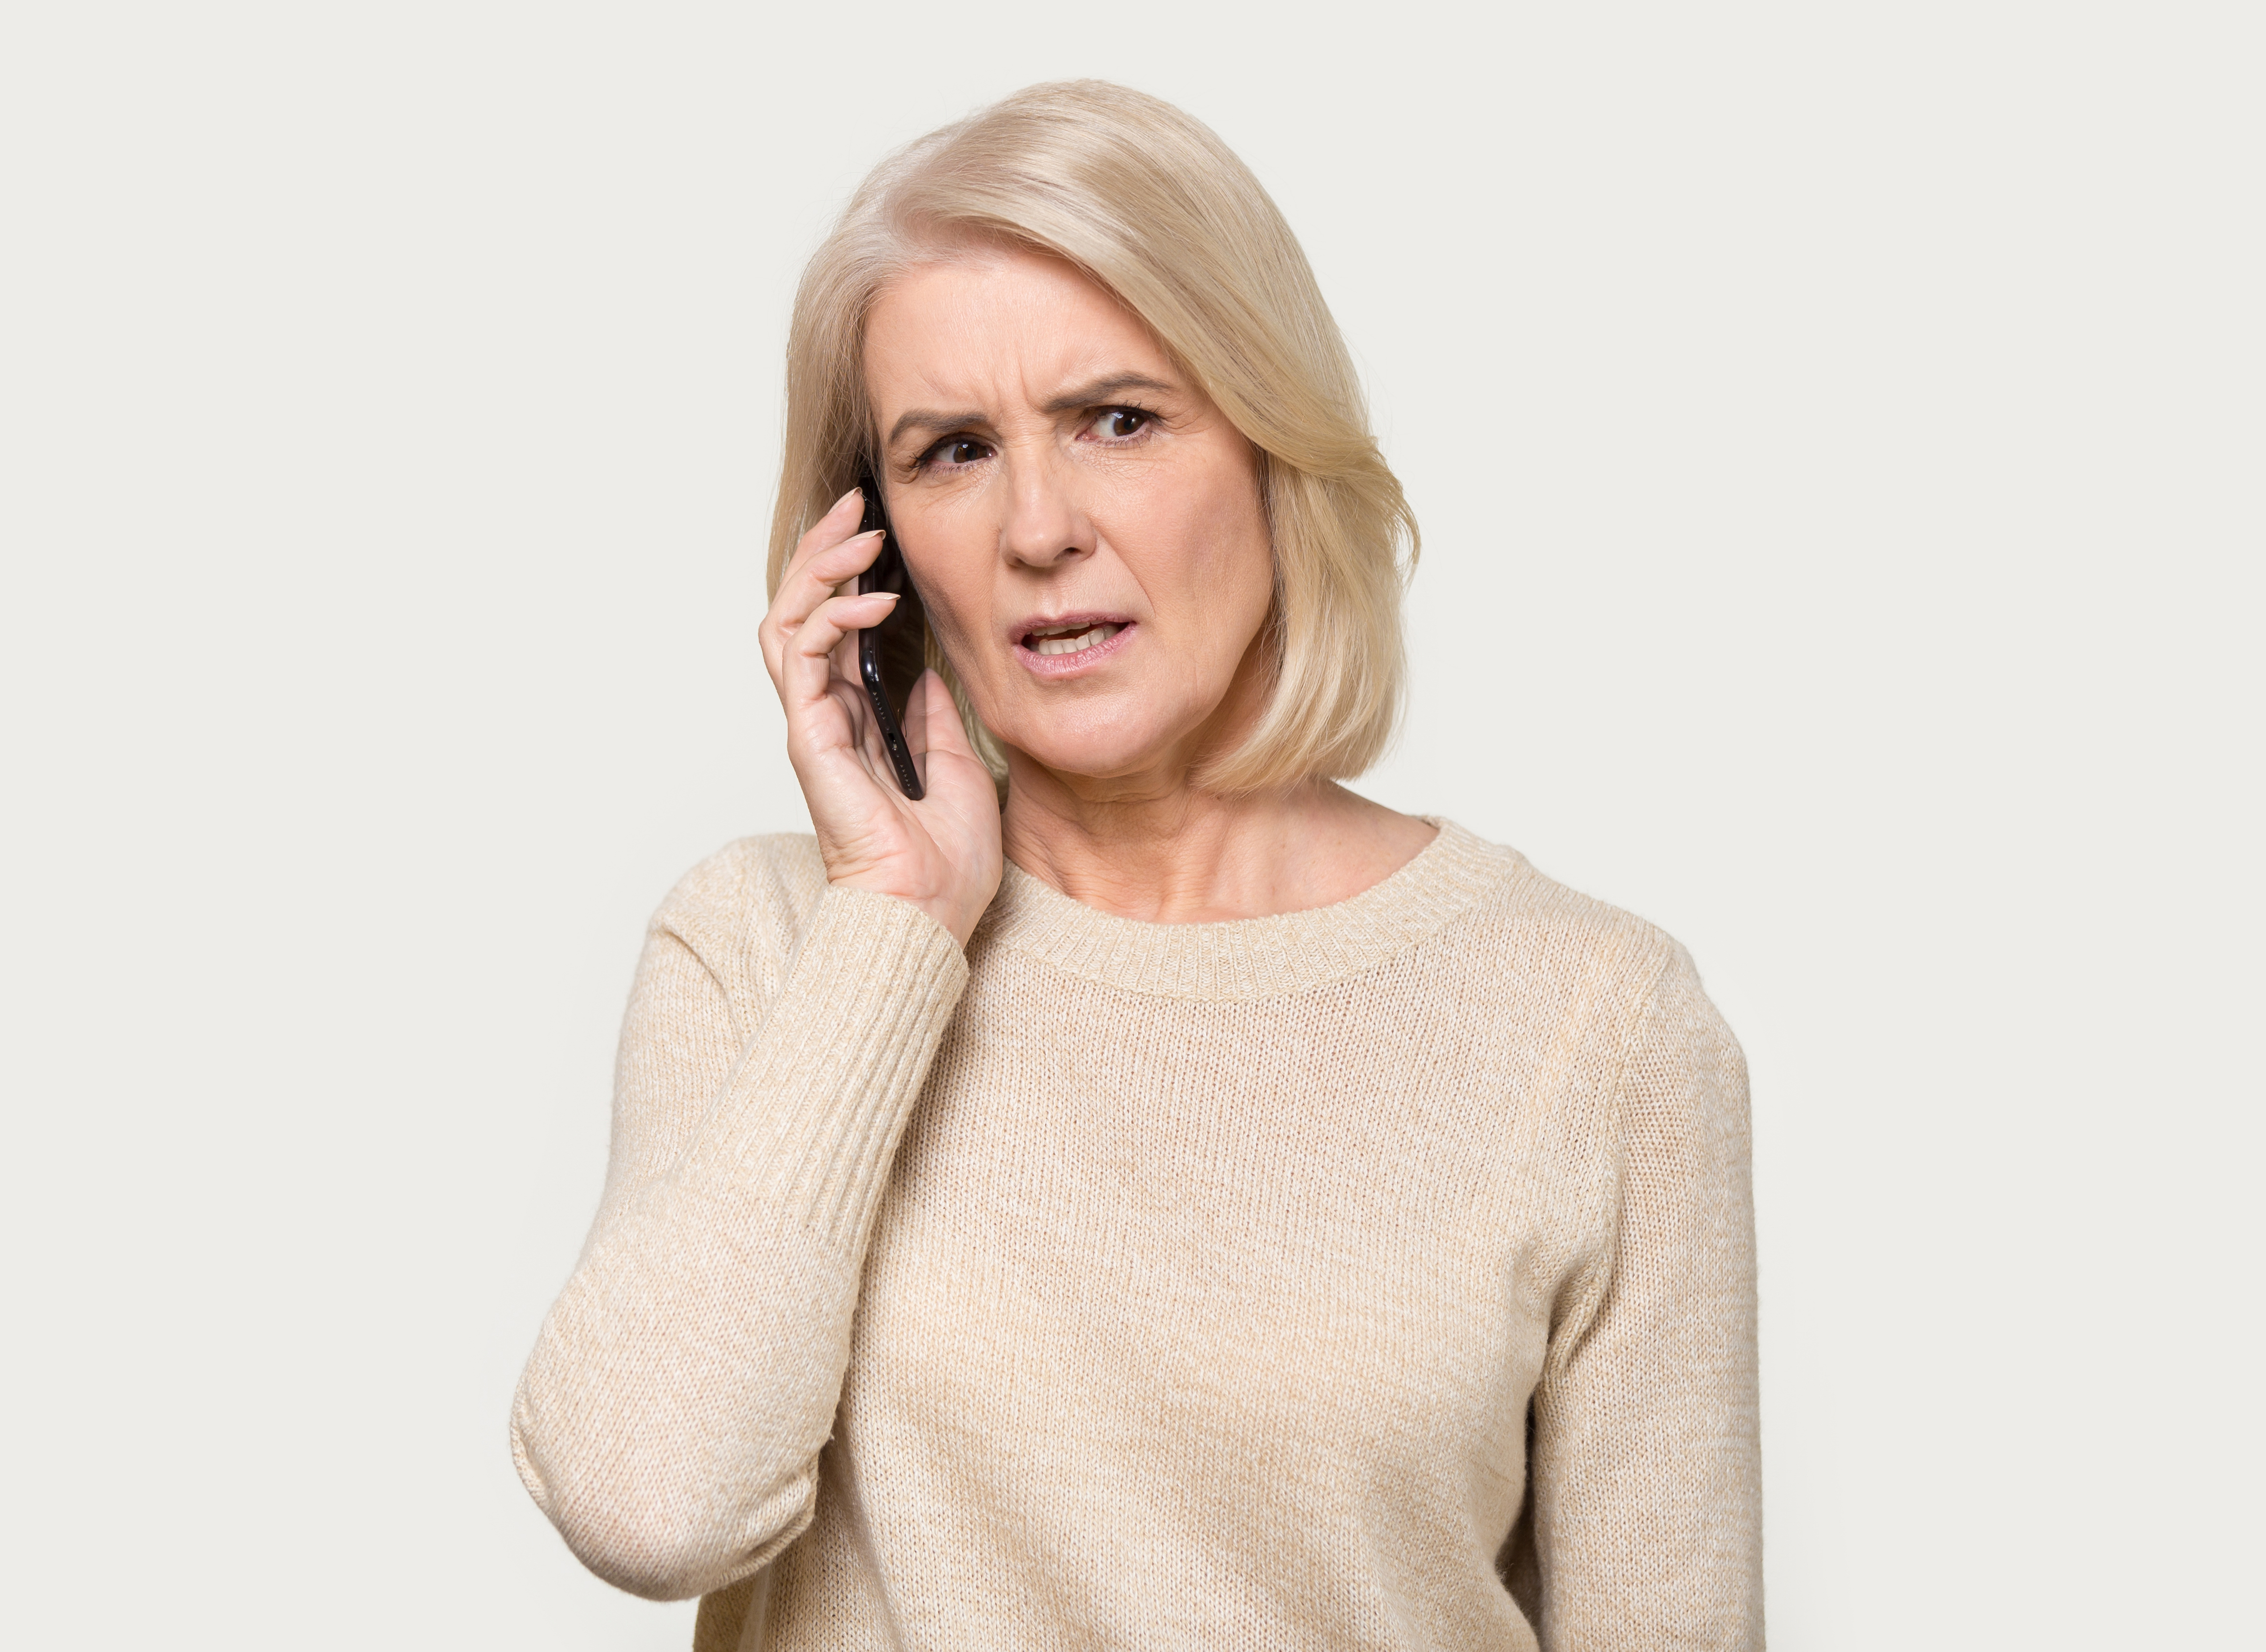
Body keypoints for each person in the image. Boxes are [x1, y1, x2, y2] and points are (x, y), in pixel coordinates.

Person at [512, 80, 1761, 1651]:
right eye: (954, 450)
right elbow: (648, 1499)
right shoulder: (767, 948)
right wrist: (898, 923)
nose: (1040, 526)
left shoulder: (1599, 1019)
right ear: (874, 545)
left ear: (1268, 444)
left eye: (1119, 418)